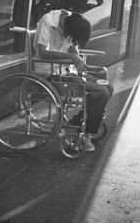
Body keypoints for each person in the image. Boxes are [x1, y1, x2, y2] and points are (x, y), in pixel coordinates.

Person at [34, 9, 112, 153]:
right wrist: (72, 58)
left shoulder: (72, 20)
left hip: (67, 71)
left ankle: (76, 123)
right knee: (101, 92)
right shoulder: (48, 21)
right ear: (67, 29)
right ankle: (86, 133)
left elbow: (71, 47)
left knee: (108, 87)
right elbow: (42, 52)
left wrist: (75, 54)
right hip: (51, 72)